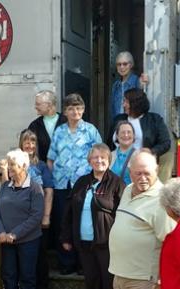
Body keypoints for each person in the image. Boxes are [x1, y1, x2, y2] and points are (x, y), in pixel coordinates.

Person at [47, 93, 102, 274]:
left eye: (78, 108)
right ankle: (66, 263)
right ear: (65, 111)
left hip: (84, 184)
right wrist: (52, 181)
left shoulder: (90, 130)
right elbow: (51, 158)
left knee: (82, 221)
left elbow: (101, 155)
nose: (75, 111)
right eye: (71, 108)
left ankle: (82, 264)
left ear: (83, 110)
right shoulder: (59, 131)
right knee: (64, 222)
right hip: (62, 184)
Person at [60, 143, 125, 289]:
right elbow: (68, 212)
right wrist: (66, 237)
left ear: (109, 160)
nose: (99, 160)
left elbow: (124, 213)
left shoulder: (117, 183)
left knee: (108, 282)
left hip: (107, 244)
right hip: (84, 244)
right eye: (95, 157)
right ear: (89, 161)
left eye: (103, 157)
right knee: (91, 281)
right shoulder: (81, 182)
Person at [108, 150, 175, 289]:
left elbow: (170, 241)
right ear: (130, 172)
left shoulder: (162, 199)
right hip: (119, 274)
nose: (143, 178)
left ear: (156, 170)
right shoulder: (127, 190)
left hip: (144, 280)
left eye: (147, 173)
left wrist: (162, 278)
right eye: (138, 173)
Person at [0, 130, 54, 289]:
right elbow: (5, 189)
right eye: (26, 142)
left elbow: (49, 191)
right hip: (13, 223)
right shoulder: (12, 163)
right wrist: (4, 170)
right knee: (10, 272)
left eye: (33, 142)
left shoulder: (41, 166)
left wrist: (46, 216)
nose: (30, 145)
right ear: (21, 144)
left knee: (36, 264)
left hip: (33, 219)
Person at [0, 149, 44, 289]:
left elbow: (36, 216)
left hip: (28, 242)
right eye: (8, 164)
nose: (8, 168)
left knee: (27, 278)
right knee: (8, 277)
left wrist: (15, 234)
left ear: (23, 167)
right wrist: (0, 232)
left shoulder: (35, 188)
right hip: (7, 242)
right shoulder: (5, 187)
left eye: (12, 164)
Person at [107, 88, 172, 181]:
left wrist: (151, 151)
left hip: (141, 167)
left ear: (135, 104)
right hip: (116, 167)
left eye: (126, 102)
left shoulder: (154, 120)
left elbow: (166, 143)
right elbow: (109, 144)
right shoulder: (118, 119)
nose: (123, 105)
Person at [28, 90, 67, 162]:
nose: (35, 107)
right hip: (43, 170)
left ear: (49, 105)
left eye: (38, 104)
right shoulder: (34, 125)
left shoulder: (67, 122)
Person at [110, 51, 146, 120]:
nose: (122, 67)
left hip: (133, 122)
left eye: (125, 64)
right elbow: (113, 110)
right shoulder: (115, 85)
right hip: (118, 123)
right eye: (119, 64)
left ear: (131, 65)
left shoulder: (137, 81)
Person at [110, 120, 136, 185]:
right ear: (117, 136)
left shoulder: (139, 156)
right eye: (123, 132)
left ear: (134, 135)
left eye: (129, 132)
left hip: (131, 194)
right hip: (113, 194)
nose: (126, 135)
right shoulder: (110, 155)